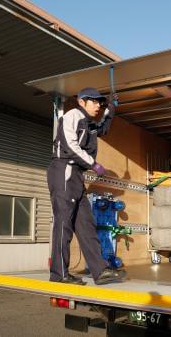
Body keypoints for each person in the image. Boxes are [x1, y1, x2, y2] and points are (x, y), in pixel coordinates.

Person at [47, 87, 127, 285]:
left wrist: (111, 109)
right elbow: (70, 145)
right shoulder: (71, 116)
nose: (98, 105)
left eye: (100, 102)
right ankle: (59, 275)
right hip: (63, 171)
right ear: (81, 101)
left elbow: (103, 129)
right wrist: (94, 164)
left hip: (76, 176)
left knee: (86, 224)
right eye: (94, 101)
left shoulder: (89, 123)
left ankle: (100, 271)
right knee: (64, 223)